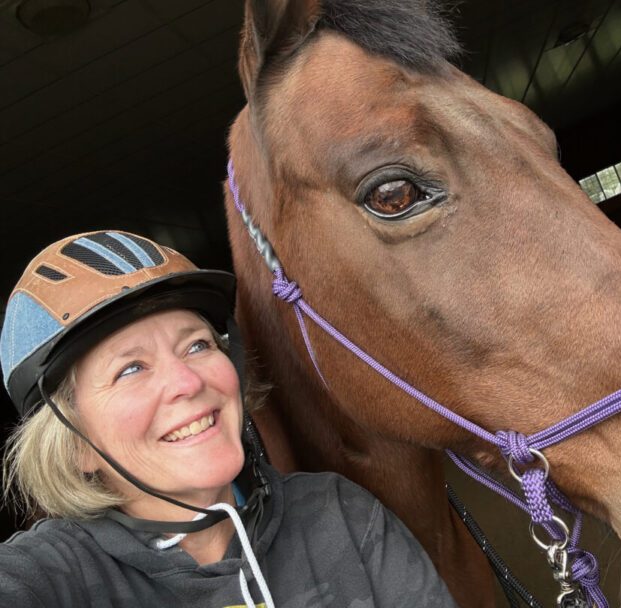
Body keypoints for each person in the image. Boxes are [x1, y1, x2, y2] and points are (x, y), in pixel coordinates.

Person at [0, 230, 456, 607]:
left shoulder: (337, 516)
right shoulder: (52, 579)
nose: (187, 381)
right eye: (131, 368)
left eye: (197, 345)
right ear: (75, 443)